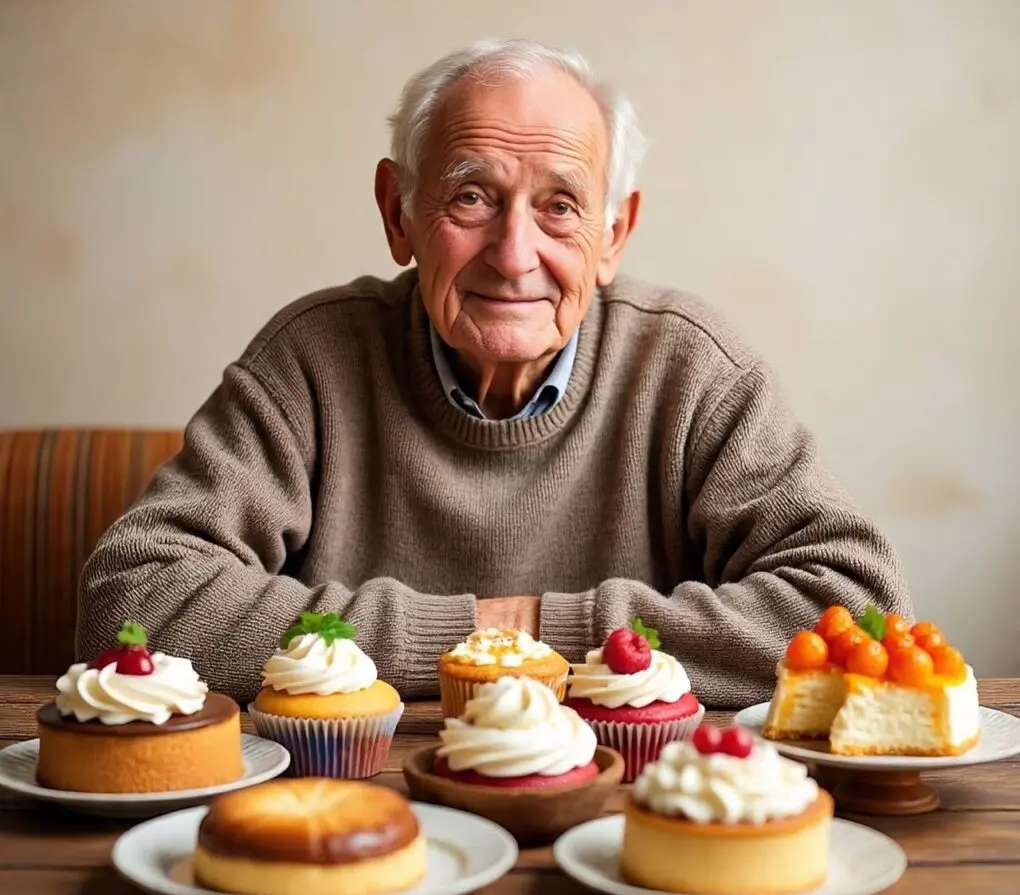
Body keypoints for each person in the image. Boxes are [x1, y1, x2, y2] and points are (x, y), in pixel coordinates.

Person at [75, 38, 911, 709]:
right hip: (350, 810)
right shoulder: (311, 360)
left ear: (615, 233)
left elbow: (858, 606)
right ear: (399, 213)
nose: (516, 257)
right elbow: (135, 601)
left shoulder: (693, 367)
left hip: (627, 814)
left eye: (560, 205)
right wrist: (478, 640)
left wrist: (536, 630)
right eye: (471, 196)